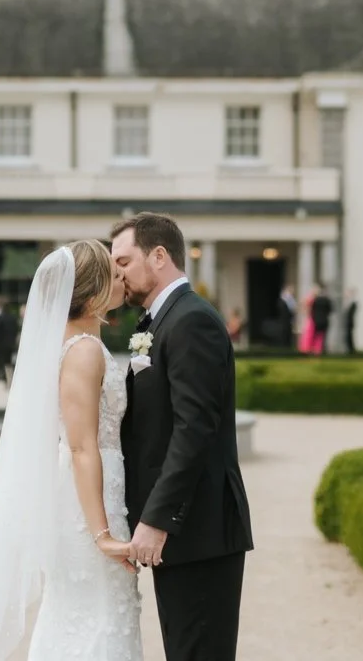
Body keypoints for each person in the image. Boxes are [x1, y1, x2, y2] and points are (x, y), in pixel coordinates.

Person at [0, 240, 141, 660]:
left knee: (89, 612)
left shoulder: (78, 344)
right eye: (114, 274)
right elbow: (82, 445)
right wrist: (102, 534)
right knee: (96, 614)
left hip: (93, 493)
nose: (123, 278)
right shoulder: (83, 351)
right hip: (90, 503)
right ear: (92, 293)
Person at [112, 212, 253, 660]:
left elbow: (194, 430)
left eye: (124, 262)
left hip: (200, 531)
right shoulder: (156, 321)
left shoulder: (192, 320)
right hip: (183, 534)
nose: (118, 275)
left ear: (159, 256)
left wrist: (156, 520)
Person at [0, 300, 19, 386]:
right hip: (11, 344)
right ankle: (8, 377)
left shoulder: (1, 318)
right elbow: (16, 330)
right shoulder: (13, 318)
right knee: (9, 361)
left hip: (2, 344)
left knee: (3, 361)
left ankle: (4, 377)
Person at [343, 288, 358, 354]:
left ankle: (351, 349)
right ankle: (349, 348)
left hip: (349, 322)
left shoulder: (353, 303)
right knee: (348, 335)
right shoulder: (351, 303)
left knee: (349, 335)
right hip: (348, 322)